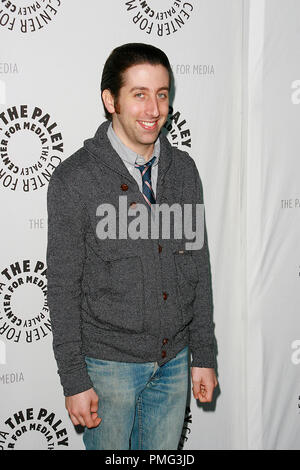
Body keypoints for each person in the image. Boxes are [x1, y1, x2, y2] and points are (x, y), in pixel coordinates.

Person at [46, 43, 218, 451]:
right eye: (139, 94)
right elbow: (63, 287)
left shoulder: (184, 171)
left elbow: (197, 266)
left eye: (161, 93)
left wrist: (204, 355)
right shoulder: (74, 179)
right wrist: (74, 379)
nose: (153, 109)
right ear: (111, 100)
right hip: (107, 369)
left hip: (174, 364)